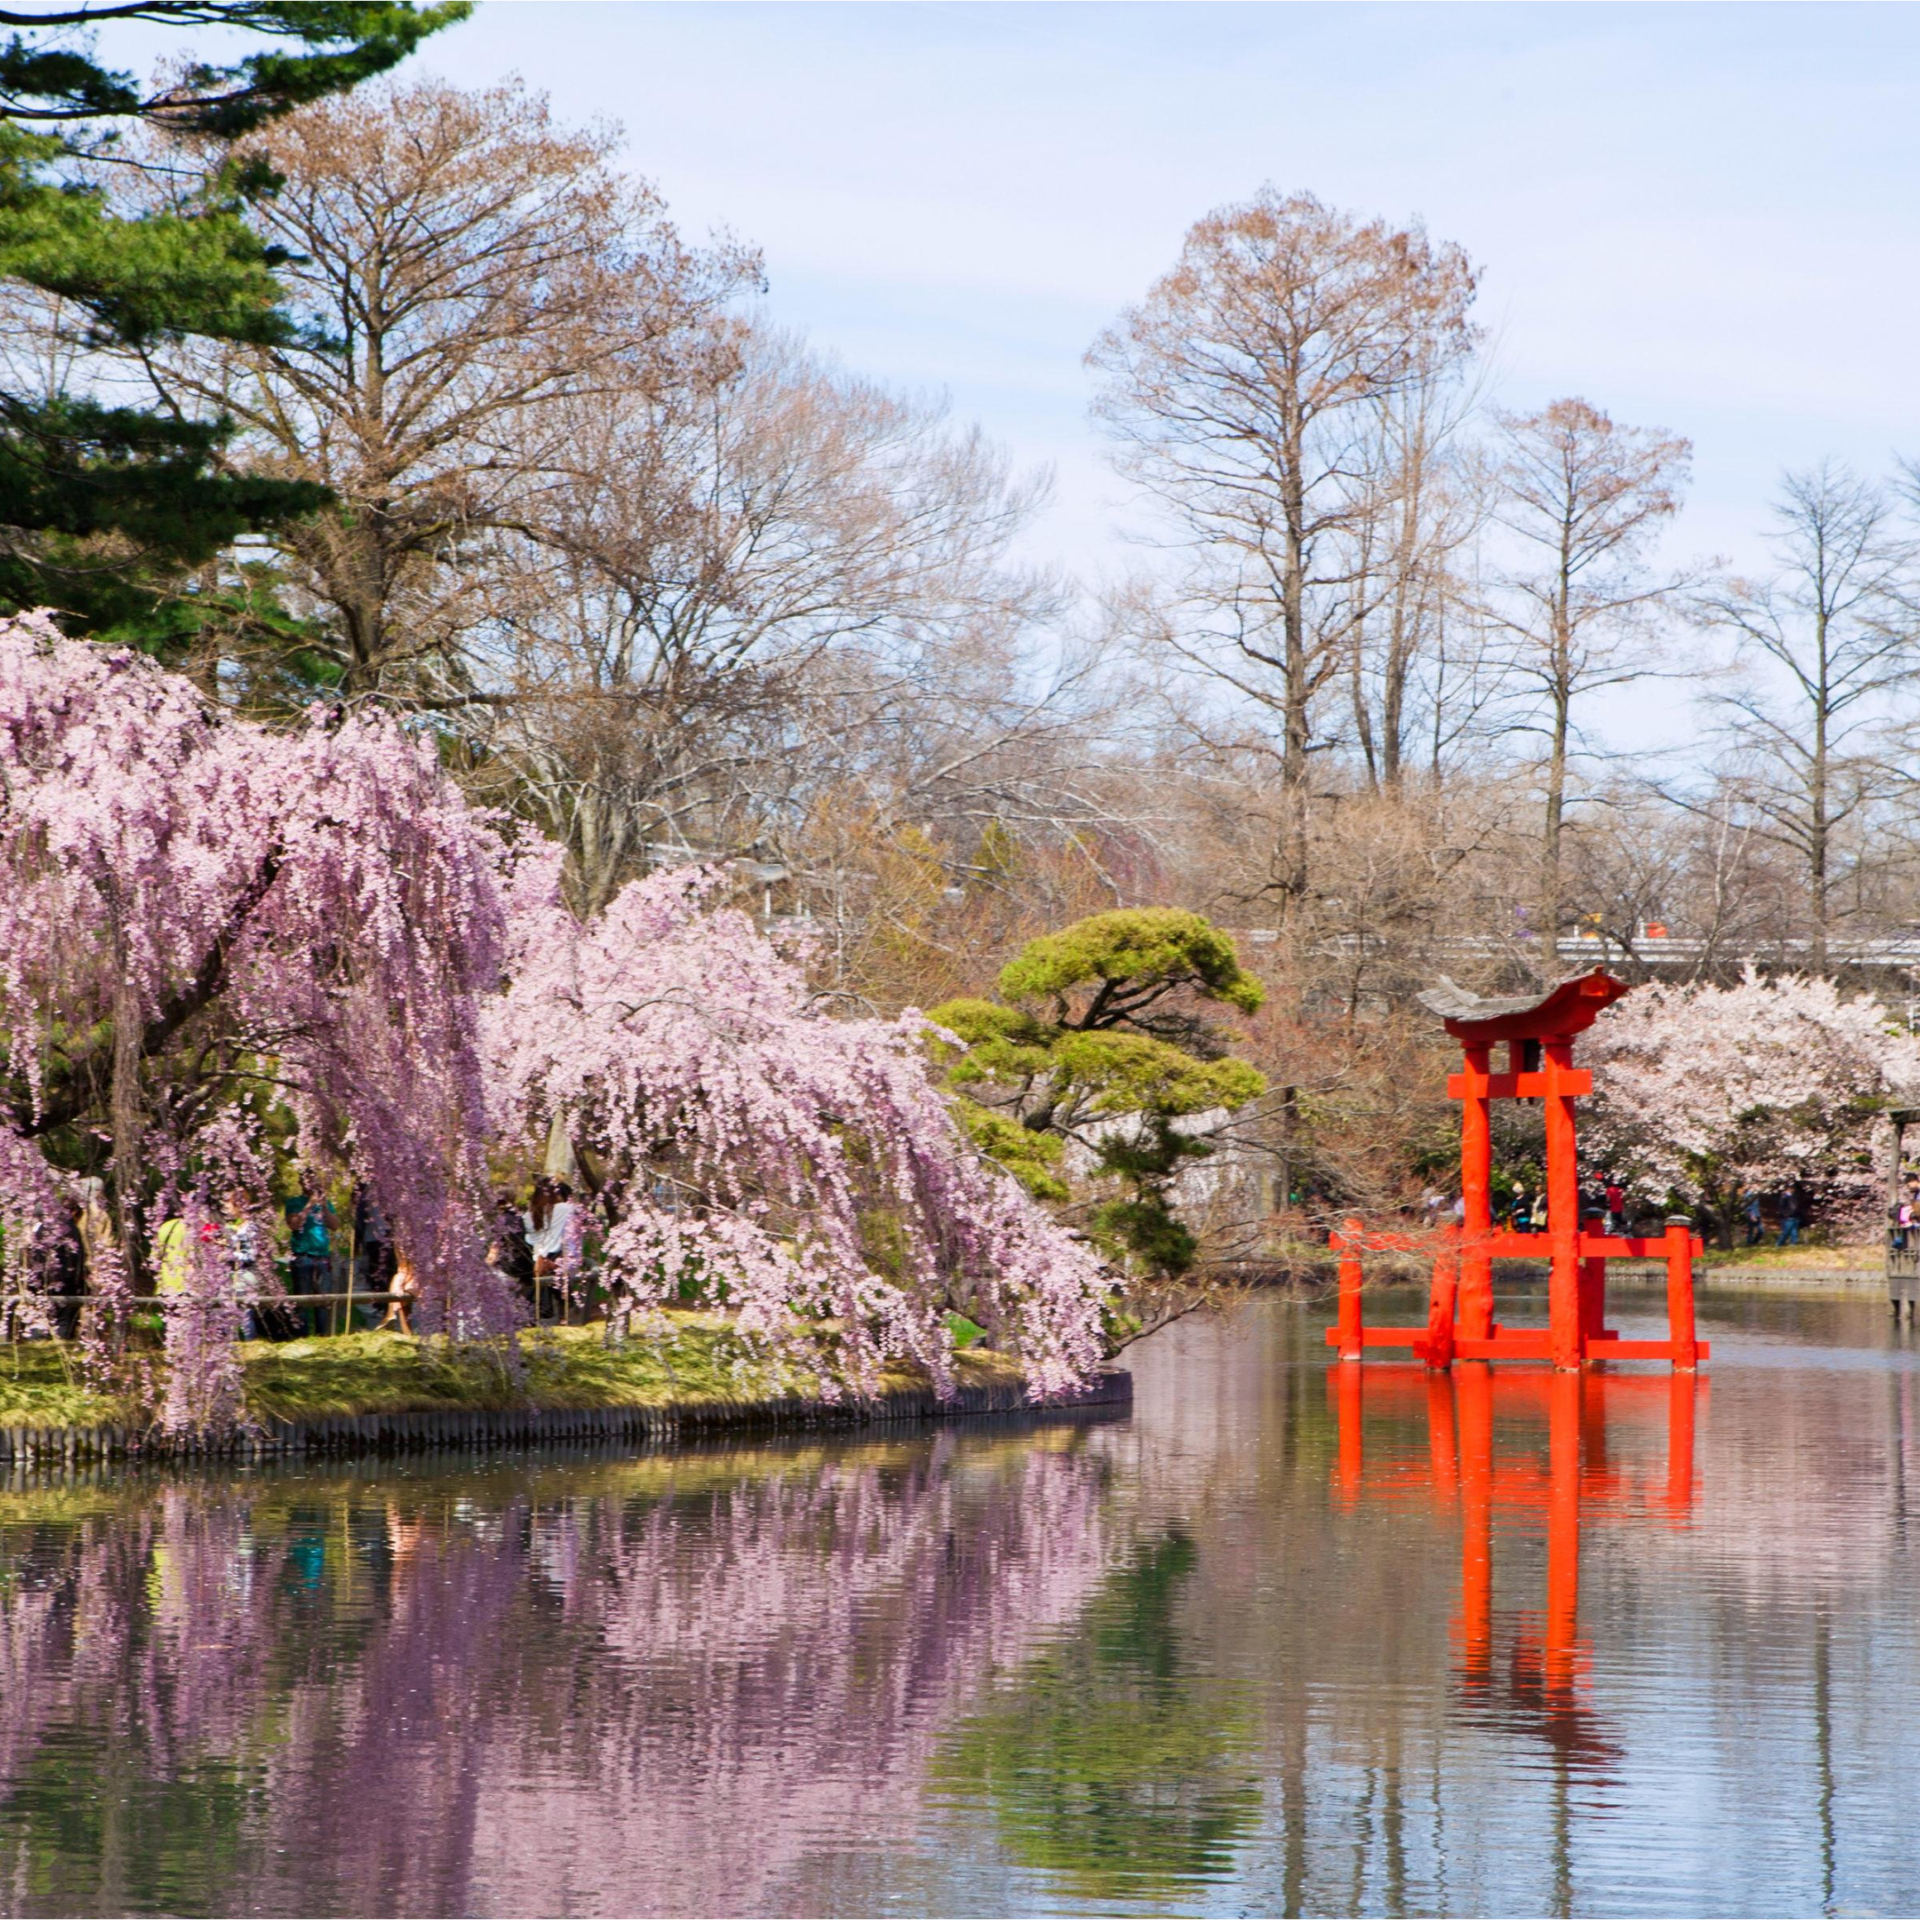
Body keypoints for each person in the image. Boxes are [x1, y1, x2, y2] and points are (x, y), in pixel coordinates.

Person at [285, 1179, 336, 1336]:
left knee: (323, 1298)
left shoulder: (324, 1204)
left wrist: (325, 1206)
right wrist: (309, 1205)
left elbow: (335, 1225)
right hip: (303, 1256)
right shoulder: (295, 1202)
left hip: (322, 1256)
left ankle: (323, 1335)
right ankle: (302, 1335)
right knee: (302, 1298)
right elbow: (294, 1224)